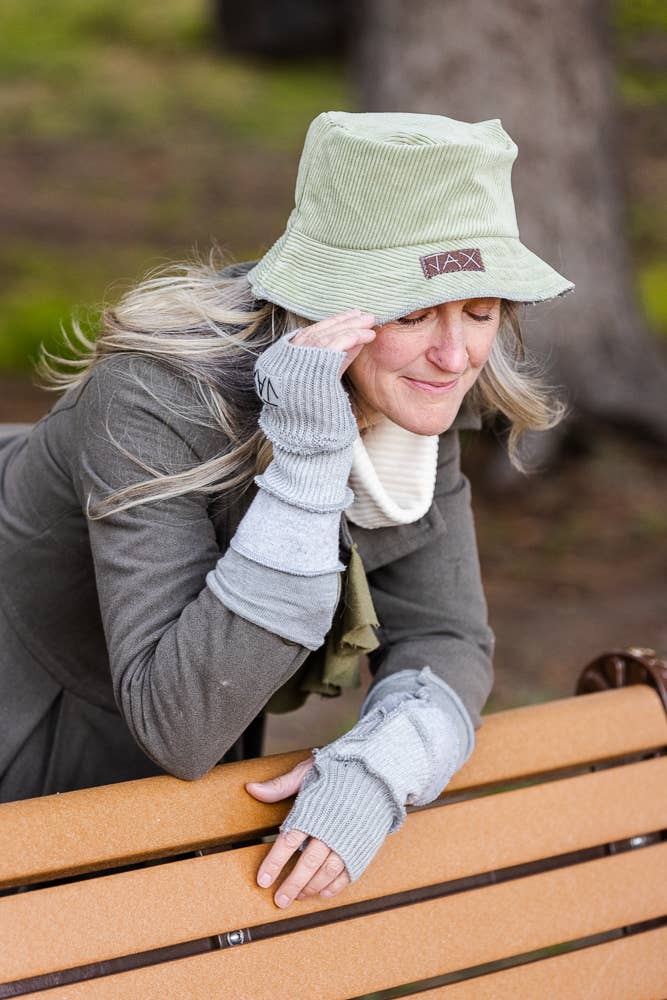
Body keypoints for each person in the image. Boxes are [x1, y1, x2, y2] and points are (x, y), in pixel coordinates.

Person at [0, 111, 573, 908]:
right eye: (413, 313)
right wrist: (308, 463)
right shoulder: (153, 394)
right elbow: (180, 724)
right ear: (326, 302)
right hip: (33, 702)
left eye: (479, 312)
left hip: (192, 721)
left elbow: (445, 635)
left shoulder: (406, 388)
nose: (454, 357)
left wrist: (384, 764)